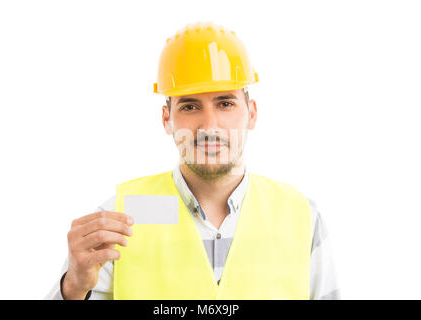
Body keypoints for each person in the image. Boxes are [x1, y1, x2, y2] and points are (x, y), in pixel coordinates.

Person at [46, 22, 340, 300]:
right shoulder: (123, 216)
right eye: (189, 105)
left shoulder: (300, 216)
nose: (209, 125)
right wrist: (72, 288)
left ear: (251, 113)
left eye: (225, 103)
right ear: (167, 119)